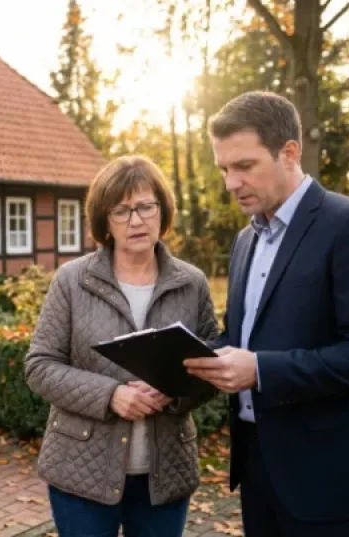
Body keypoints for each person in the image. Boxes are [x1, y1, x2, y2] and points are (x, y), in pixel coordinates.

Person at [183, 91, 349, 537]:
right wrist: (179, 360)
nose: (231, 183)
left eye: (244, 166)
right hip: (259, 468)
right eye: (224, 169)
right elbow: (244, 339)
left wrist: (261, 370)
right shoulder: (246, 241)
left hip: (331, 478)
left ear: (289, 153)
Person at [24, 155, 220, 537]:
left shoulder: (192, 283)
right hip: (81, 472)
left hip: (165, 475)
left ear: (162, 212)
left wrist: (174, 391)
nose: (136, 220)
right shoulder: (71, 280)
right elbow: (40, 366)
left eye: (146, 206)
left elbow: (212, 367)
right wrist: (110, 395)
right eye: (122, 210)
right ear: (105, 221)